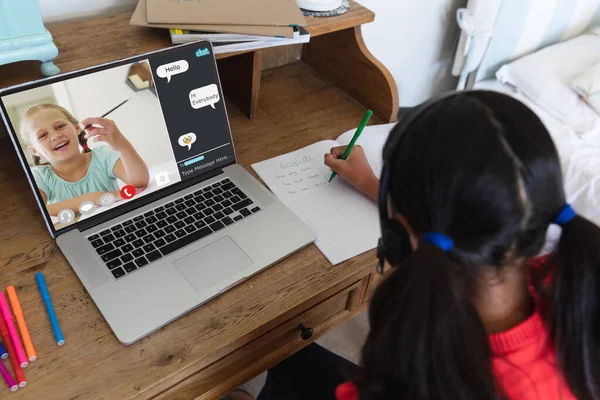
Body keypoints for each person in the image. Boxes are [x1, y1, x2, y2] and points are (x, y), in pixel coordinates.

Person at [226, 91, 600, 400]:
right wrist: (371, 184)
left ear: (399, 235)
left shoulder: (414, 380)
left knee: (286, 355)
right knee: (294, 356)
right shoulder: (564, 288)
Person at [19, 104, 149, 216]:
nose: (55, 136)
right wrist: (93, 198)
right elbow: (37, 212)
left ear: (77, 128)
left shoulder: (103, 155)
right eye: (42, 135)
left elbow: (139, 183)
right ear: (34, 150)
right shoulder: (39, 176)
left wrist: (122, 145)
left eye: (59, 126)